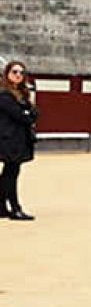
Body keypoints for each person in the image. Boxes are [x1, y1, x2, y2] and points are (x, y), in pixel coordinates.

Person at [0, 61, 39, 221]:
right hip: (9, 140)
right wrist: (28, 113)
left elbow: (34, 114)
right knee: (11, 173)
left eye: (21, 73)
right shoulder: (4, 95)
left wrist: (28, 113)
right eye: (14, 72)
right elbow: (22, 116)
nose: (18, 75)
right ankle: (15, 208)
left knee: (9, 173)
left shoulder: (22, 94)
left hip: (18, 139)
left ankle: (2, 207)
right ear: (7, 74)